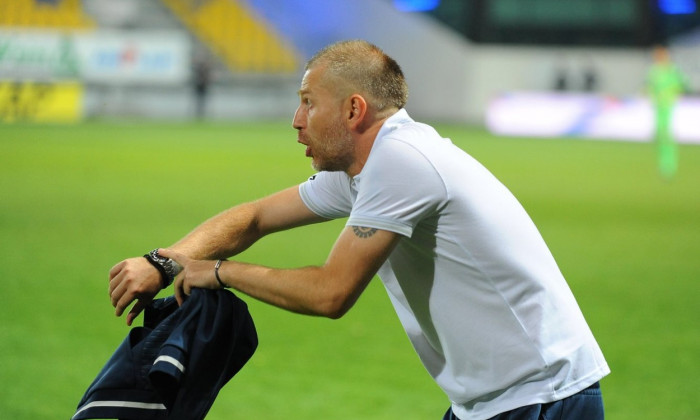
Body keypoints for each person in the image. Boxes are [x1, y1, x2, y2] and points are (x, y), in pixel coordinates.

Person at [109, 40, 610, 420]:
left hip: (543, 397)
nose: (295, 120)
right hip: (494, 400)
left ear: (353, 110)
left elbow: (331, 294)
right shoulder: (365, 172)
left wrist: (218, 272)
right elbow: (254, 217)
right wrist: (163, 261)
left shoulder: (401, 162)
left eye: (308, 102)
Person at [647, 45, 688, 180]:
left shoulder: (672, 70)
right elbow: (649, 86)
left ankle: (669, 165)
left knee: (667, 135)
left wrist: (672, 96)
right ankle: (663, 164)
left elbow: (681, 85)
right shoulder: (654, 70)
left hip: (669, 107)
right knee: (659, 134)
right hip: (658, 107)